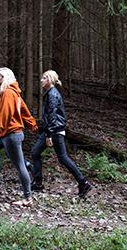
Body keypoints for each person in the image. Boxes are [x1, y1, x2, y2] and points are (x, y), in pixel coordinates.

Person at [0, 67, 38, 206]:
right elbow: (23, 110)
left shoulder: (8, 93)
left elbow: (5, 115)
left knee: (19, 165)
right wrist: (32, 124)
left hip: (11, 134)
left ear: (5, 78)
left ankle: (27, 198)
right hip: (7, 133)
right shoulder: (14, 93)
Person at [31, 70, 92, 198]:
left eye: (43, 78)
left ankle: (83, 182)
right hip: (52, 130)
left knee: (63, 158)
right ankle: (38, 182)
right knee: (36, 153)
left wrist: (48, 135)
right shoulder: (49, 93)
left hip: (55, 131)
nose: (41, 80)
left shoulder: (52, 94)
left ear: (49, 80)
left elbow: (52, 116)